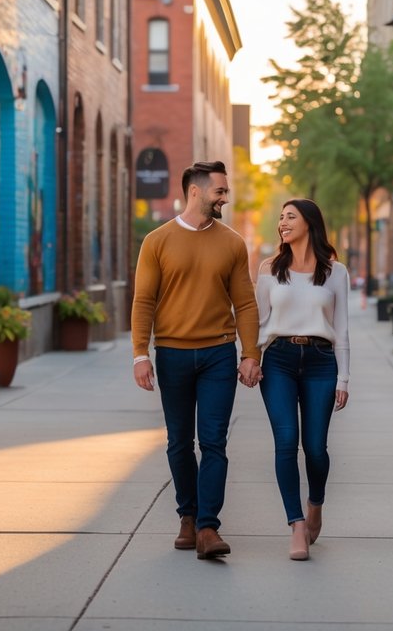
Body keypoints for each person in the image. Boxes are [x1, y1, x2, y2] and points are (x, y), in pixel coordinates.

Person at [131, 160, 261, 560]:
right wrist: (140, 353)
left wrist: (250, 353)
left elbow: (245, 303)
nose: (225, 197)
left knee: (214, 442)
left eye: (226, 191)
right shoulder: (157, 240)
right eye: (219, 191)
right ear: (195, 191)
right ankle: (187, 516)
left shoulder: (233, 243)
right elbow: (144, 301)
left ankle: (207, 527)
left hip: (219, 355)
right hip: (171, 354)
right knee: (178, 443)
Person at [255, 198, 350, 561]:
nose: (282, 222)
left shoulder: (335, 272)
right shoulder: (269, 268)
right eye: (280, 217)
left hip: (321, 362)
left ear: (309, 223)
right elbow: (260, 322)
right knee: (285, 442)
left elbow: (342, 330)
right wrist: (251, 357)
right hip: (278, 360)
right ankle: (296, 525)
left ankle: (315, 505)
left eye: (290, 217)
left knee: (315, 448)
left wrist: (344, 378)